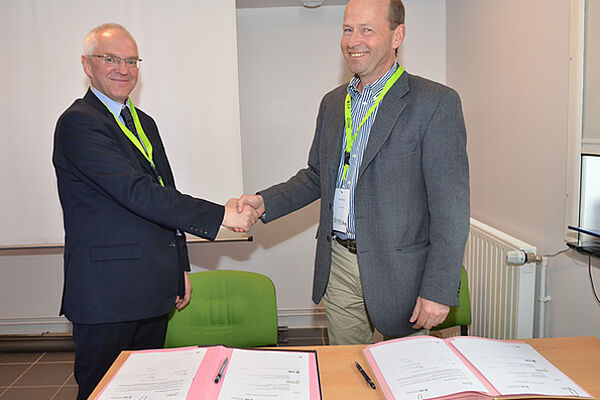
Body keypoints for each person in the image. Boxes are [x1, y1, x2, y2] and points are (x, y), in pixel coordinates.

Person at [238, 0, 470, 345]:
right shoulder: (333, 103)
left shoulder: (435, 103)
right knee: (349, 372)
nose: (352, 40)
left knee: (404, 376)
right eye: (347, 29)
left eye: (366, 29)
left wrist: (438, 288)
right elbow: (318, 176)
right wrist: (263, 202)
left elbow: (451, 208)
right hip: (339, 264)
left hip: (401, 270)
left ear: (397, 35)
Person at [52, 23, 257, 399]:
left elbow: (165, 194)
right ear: (87, 64)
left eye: (132, 61)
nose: (124, 69)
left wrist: (179, 268)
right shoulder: (79, 123)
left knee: (151, 389)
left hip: (152, 290)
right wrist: (221, 216)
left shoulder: (143, 123)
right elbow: (136, 193)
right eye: (111, 58)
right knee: (103, 391)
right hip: (107, 296)